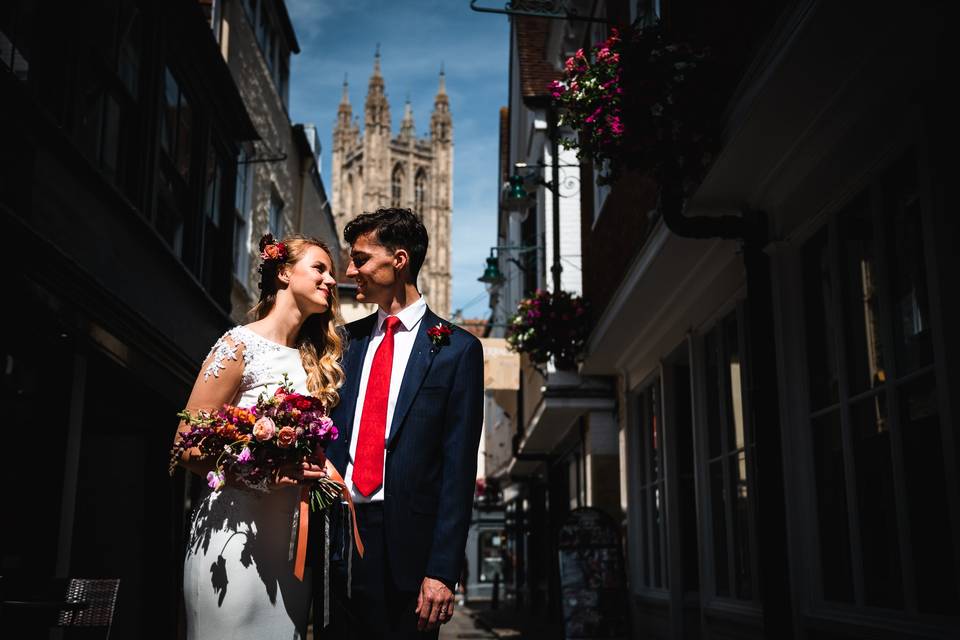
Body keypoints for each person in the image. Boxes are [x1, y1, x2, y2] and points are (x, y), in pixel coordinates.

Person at [317, 208, 484, 639]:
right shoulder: (342, 343)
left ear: (399, 260)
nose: (350, 271)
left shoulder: (456, 349)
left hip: (410, 551)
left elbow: (458, 470)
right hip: (339, 539)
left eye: (361, 259)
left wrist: (443, 571)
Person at [174, 235, 342, 640]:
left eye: (332, 272)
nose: (331, 280)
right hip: (232, 541)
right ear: (284, 273)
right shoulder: (237, 345)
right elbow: (185, 444)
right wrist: (260, 471)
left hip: (289, 548)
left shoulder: (316, 361)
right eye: (320, 268)